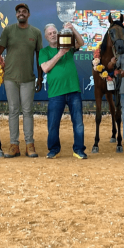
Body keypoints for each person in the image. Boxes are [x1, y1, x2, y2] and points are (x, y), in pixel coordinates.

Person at [0, 3, 43, 158]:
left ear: (28, 14)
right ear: (16, 15)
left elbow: (39, 56)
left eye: (24, 11)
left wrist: (40, 77)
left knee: (28, 111)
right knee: (13, 111)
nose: (21, 13)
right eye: (19, 12)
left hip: (28, 78)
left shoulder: (36, 32)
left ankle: (30, 145)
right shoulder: (8, 30)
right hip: (10, 78)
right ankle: (14, 145)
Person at [39, 23, 88, 159]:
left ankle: (79, 150)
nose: (53, 35)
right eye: (50, 33)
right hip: (56, 93)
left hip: (73, 90)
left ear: (58, 33)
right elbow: (45, 68)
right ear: (46, 37)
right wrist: (61, 53)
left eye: (54, 32)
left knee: (78, 123)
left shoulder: (69, 46)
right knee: (53, 124)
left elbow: (81, 42)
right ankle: (54, 150)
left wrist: (73, 29)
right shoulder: (44, 52)